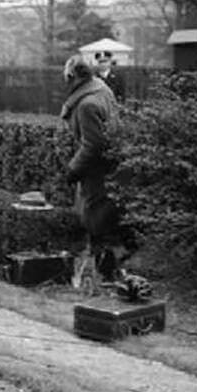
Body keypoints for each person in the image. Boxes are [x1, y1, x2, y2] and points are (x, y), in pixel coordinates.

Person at [61, 54, 124, 278]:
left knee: (97, 221)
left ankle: (106, 275)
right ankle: (107, 271)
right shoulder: (101, 89)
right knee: (105, 218)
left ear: (73, 76)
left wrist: (72, 169)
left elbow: (93, 144)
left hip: (97, 168)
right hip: (110, 164)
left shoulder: (87, 104)